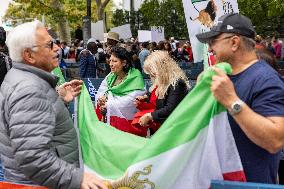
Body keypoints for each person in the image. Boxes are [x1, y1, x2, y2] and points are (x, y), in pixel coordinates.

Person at [0, 21, 107, 189]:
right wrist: (78, 179)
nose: (57, 48)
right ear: (29, 55)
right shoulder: (29, 89)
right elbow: (33, 158)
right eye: (49, 45)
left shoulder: (26, 80)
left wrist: (57, 99)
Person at [196, 13, 284, 184]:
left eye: (213, 41)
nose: (209, 49)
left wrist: (231, 101)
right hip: (218, 181)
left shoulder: (266, 80)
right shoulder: (224, 76)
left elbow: (276, 140)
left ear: (234, 42)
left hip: (250, 184)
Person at [95, 47, 145, 135]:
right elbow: (102, 91)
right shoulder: (111, 75)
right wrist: (101, 99)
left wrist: (107, 104)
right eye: (110, 61)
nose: (110, 64)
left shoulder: (135, 77)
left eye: (114, 61)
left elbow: (129, 102)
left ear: (124, 63)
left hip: (128, 126)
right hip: (110, 123)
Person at [136, 51, 190, 130]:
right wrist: (146, 97)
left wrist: (150, 116)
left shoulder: (177, 83)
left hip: (173, 128)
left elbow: (170, 109)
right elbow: (155, 94)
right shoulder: (163, 81)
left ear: (161, 69)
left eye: (152, 73)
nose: (151, 76)